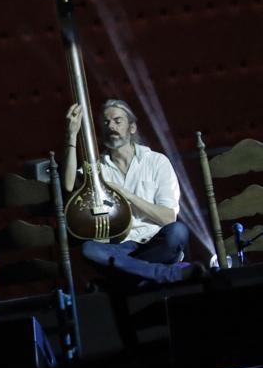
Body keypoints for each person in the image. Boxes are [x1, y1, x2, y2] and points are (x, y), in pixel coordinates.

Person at [62, 99, 200, 284]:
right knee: (89, 249)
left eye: (117, 121)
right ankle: (162, 274)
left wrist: (127, 195)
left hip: (155, 243)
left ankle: (128, 274)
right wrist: (71, 135)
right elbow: (68, 185)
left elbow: (168, 218)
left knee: (178, 232)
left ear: (132, 128)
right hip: (120, 248)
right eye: (106, 123)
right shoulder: (98, 168)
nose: (111, 126)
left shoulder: (157, 162)